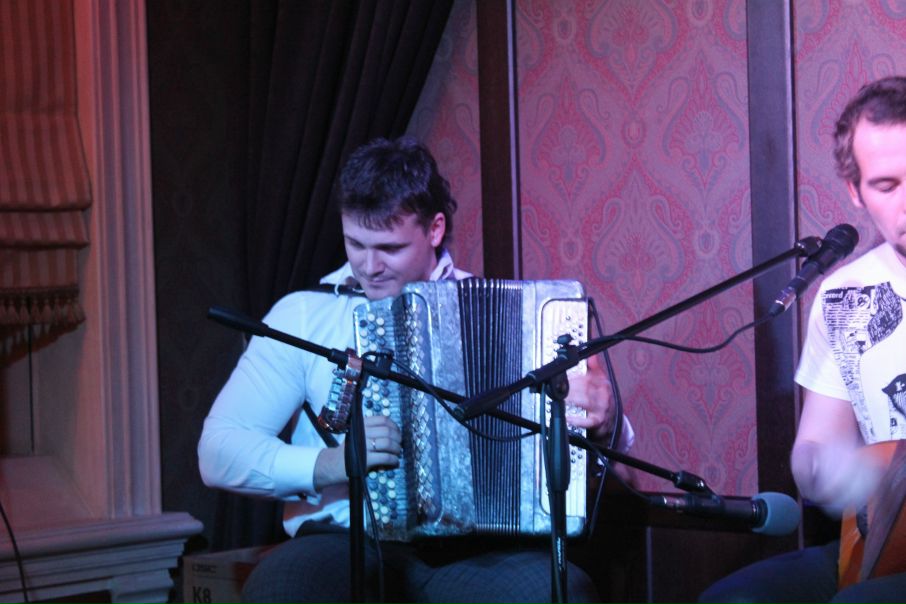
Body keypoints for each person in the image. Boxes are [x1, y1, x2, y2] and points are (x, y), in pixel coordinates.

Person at [198, 136, 635, 604]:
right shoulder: (302, 315)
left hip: (477, 553)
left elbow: (606, 448)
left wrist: (606, 420)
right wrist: (332, 464)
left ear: (434, 230)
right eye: (355, 244)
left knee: (556, 593)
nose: (368, 266)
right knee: (283, 588)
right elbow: (219, 451)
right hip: (342, 541)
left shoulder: (515, 314)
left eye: (390, 247)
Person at [699, 76, 906, 603]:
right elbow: (815, 444)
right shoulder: (844, 296)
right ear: (855, 193)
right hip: (881, 541)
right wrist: (824, 470)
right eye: (887, 186)